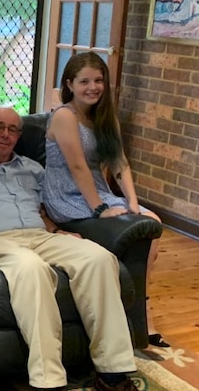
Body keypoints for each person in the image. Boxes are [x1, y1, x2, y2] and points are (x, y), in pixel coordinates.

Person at [0, 105, 169, 391]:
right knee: (31, 269)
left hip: (42, 235)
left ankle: (112, 377)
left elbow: (50, 205)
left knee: (98, 258)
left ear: (19, 136)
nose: (5, 134)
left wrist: (59, 229)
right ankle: (54, 389)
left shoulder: (35, 169)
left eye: (12, 129)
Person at [43, 52, 168, 348]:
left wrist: (133, 204)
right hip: (67, 197)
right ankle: (139, 316)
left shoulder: (105, 115)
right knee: (146, 228)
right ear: (70, 84)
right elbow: (77, 167)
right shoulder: (64, 116)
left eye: (98, 80)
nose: (93, 87)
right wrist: (99, 210)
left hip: (101, 193)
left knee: (151, 222)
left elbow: (119, 162)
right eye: (84, 81)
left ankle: (138, 308)